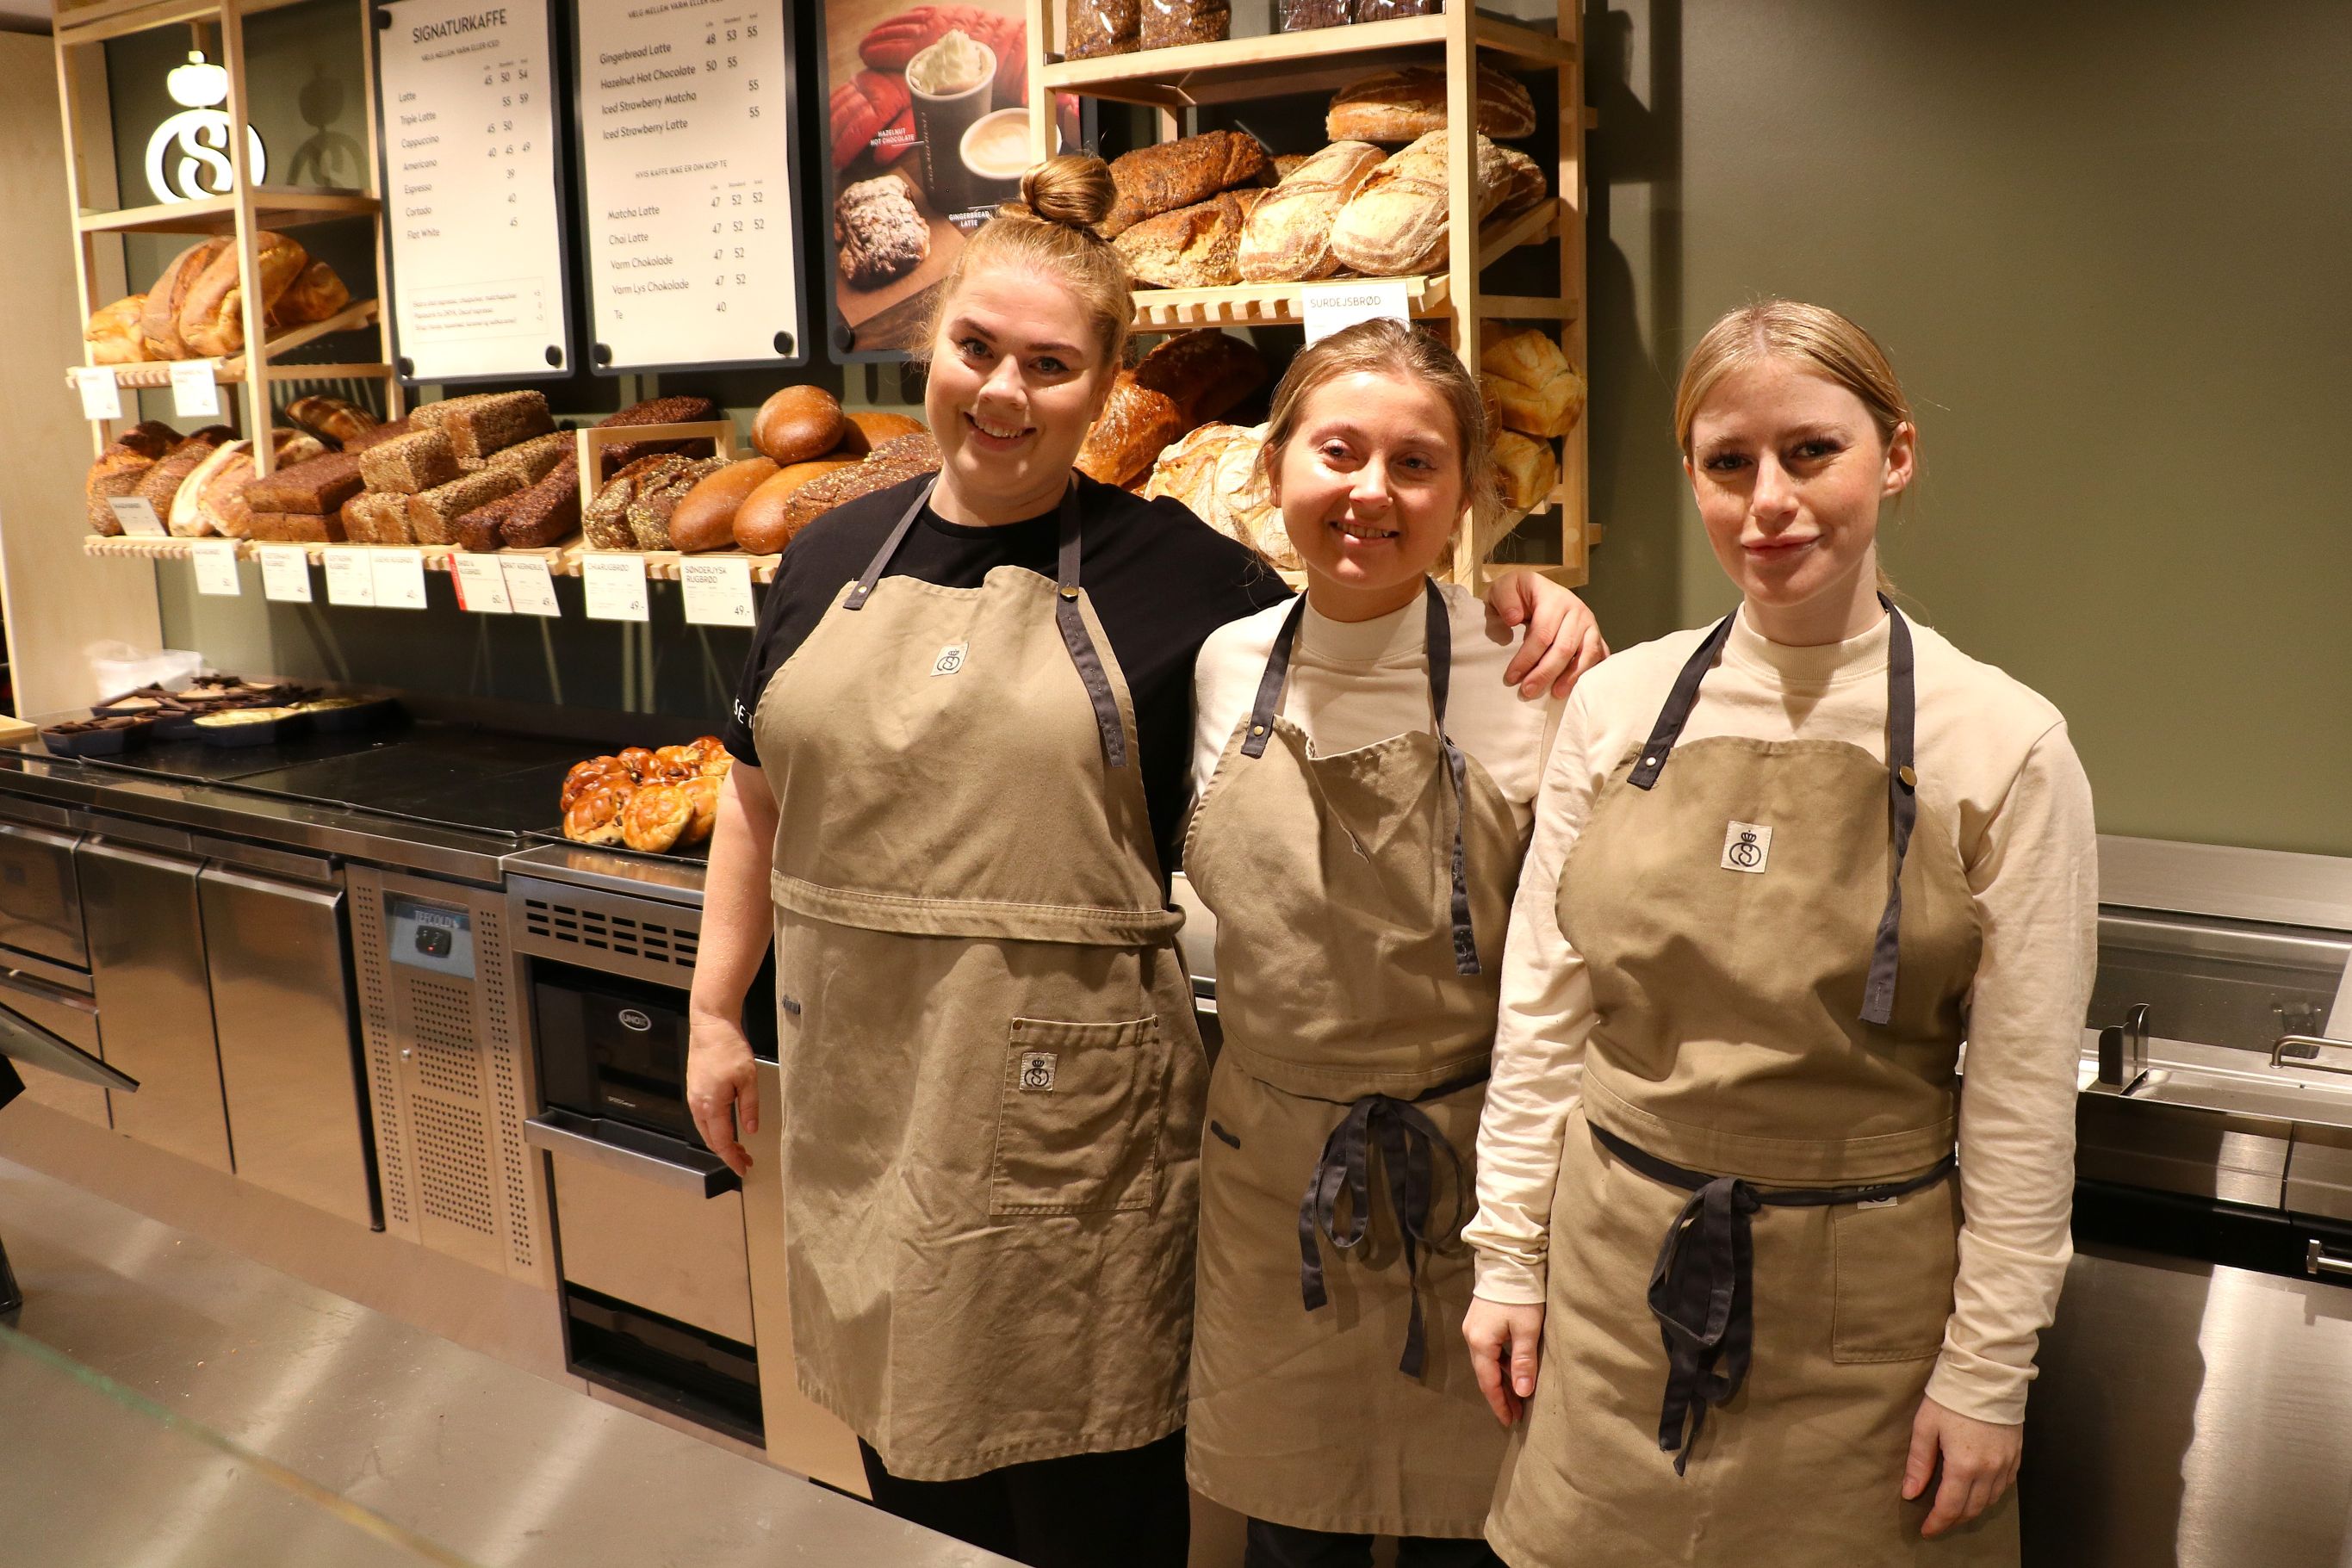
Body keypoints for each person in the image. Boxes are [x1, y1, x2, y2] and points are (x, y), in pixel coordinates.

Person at [685, 155, 1600, 1568]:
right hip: (867, 1107)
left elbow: (1363, 610)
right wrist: (711, 1009)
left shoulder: (1186, 580)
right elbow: (753, 797)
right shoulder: (825, 555)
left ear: (1103, 384)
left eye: (1050, 365)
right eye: (977, 347)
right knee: (918, 1502)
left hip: (1076, 1141)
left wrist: (1523, 603)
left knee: (1098, 1516)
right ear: (931, 345)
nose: (1002, 390)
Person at [1461, 300, 2097, 1566]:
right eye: (1728, 462)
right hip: (1611, 1285)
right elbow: (1542, 1013)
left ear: (1894, 456)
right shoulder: (1616, 706)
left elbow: (2022, 1102)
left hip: (1865, 1325)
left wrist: (1988, 1372)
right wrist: (1508, 1256)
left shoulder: (2005, 744)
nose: (1769, 503)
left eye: (1812, 452)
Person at [1182, 318, 1597, 1568]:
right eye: (1338, 451)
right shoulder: (1220, 663)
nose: (1372, 491)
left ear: (1468, 496)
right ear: (1275, 468)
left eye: (1416, 464)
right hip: (1271, 1183)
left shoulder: (1533, 667)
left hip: (1473, 1187)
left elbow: (1568, 976)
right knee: (1288, 1542)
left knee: (1470, 1540)